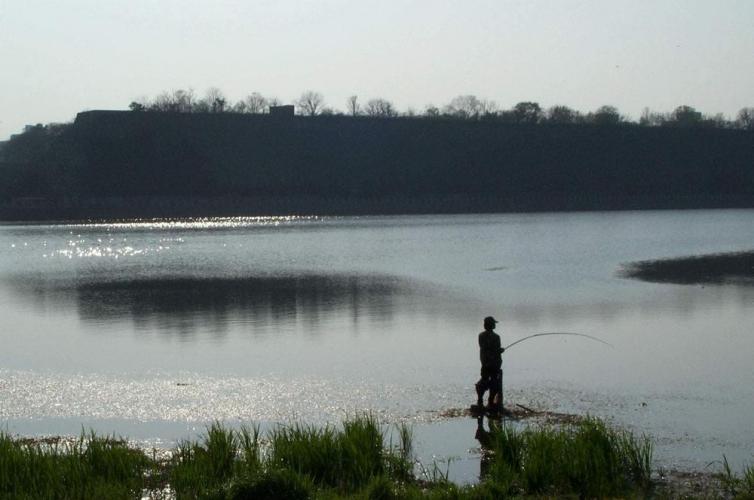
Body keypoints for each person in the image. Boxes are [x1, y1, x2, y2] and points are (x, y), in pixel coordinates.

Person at [475, 316, 504, 412]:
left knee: (483, 381)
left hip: (485, 363)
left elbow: (485, 348)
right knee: (494, 383)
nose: (495, 325)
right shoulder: (496, 337)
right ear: (491, 325)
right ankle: (490, 402)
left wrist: (497, 351)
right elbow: (494, 350)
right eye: (494, 323)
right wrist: (500, 351)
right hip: (494, 364)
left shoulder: (481, 335)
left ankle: (480, 401)